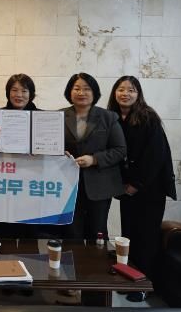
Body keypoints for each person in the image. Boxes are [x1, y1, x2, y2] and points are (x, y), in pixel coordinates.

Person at [107, 76, 176, 302]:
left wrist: (136, 185)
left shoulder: (148, 117)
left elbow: (156, 156)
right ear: (114, 93)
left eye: (131, 90)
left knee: (146, 238)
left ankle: (144, 285)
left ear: (138, 94)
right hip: (127, 189)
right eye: (121, 89)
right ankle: (130, 278)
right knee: (129, 236)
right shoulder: (113, 118)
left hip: (150, 189)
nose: (125, 94)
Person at [61, 73, 125, 241]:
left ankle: (97, 259)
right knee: (71, 233)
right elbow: (48, 145)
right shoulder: (58, 116)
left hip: (99, 186)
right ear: (69, 92)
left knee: (97, 232)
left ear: (94, 92)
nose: (81, 93)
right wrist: (59, 153)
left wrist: (94, 159)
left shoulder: (108, 117)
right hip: (67, 185)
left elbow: (120, 150)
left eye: (87, 89)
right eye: (76, 88)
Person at [0, 74, 44, 238]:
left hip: (31, 180)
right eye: (14, 90)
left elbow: (48, 149)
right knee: (4, 225)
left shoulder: (41, 116)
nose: (19, 95)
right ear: (8, 92)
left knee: (30, 227)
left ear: (31, 94)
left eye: (24, 91)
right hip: (5, 179)